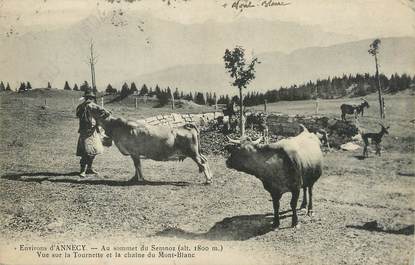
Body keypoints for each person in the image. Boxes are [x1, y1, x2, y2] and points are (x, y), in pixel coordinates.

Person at [76, 90, 103, 177]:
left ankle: (89, 168)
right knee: (86, 152)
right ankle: (82, 170)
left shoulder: (94, 107)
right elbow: (78, 114)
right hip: (85, 131)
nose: (90, 100)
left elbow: (100, 115)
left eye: (91, 98)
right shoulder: (81, 107)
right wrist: (85, 106)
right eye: (88, 98)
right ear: (85, 98)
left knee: (94, 151)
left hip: (93, 131)